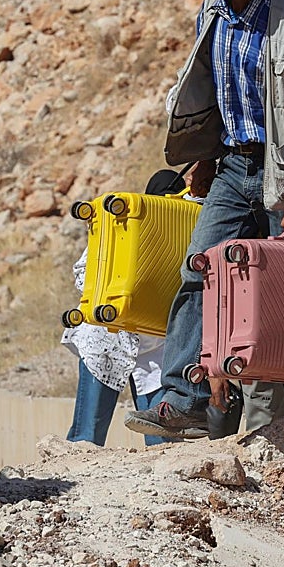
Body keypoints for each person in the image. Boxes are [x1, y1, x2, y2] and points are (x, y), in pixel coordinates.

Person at [124, 0, 284, 441]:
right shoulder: (212, 12)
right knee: (199, 270)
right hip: (233, 167)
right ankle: (185, 399)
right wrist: (203, 156)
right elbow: (215, 95)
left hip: (282, 175)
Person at [63, 169, 189, 446]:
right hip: (106, 343)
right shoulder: (122, 226)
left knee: (162, 440)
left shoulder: (185, 231)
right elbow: (83, 273)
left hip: (156, 351)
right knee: (87, 438)